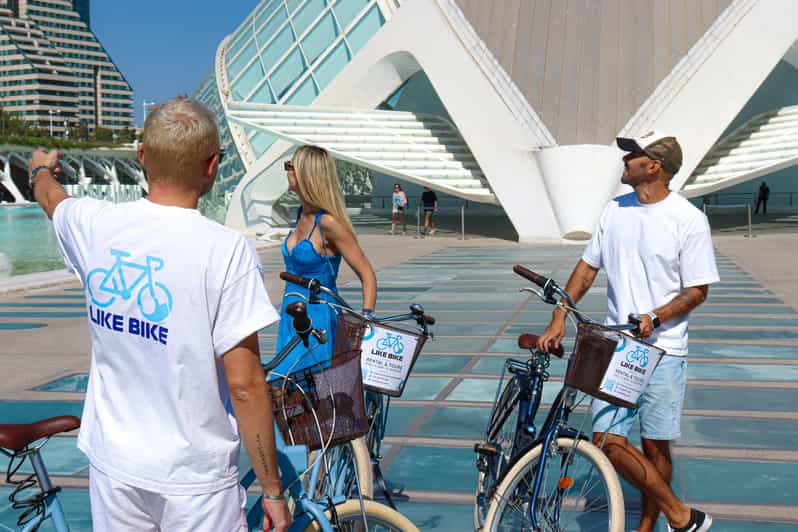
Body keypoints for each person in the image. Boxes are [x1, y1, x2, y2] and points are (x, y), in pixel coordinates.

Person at [29, 97, 291, 532]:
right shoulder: (225, 251)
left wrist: (40, 167)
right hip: (196, 481)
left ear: (143, 157)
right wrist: (272, 489)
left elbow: (51, 198)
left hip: (114, 468)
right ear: (211, 167)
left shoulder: (96, 225)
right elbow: (244, 386)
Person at [538, 131, 718, 532]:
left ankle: (650, 525)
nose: (624, 161)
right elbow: (587, 269)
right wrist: (560, 314)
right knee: (605, 440)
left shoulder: (688, 219)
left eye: (631, 156)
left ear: (654, 166)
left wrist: (658, 314)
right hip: (618, 348)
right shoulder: (615, 210)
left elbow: (697, 290)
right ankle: (681, 514)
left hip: (665, 350)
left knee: (656, 445)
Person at [273, 145, 377, 378]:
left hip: (319, 319)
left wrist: (367, 319)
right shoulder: (300, 215)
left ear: (305, 173)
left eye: (290, 166)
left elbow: (367, 273)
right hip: (291, 315)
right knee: (290, 393)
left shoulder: (327, 223)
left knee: (320, 393)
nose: (287, 171)